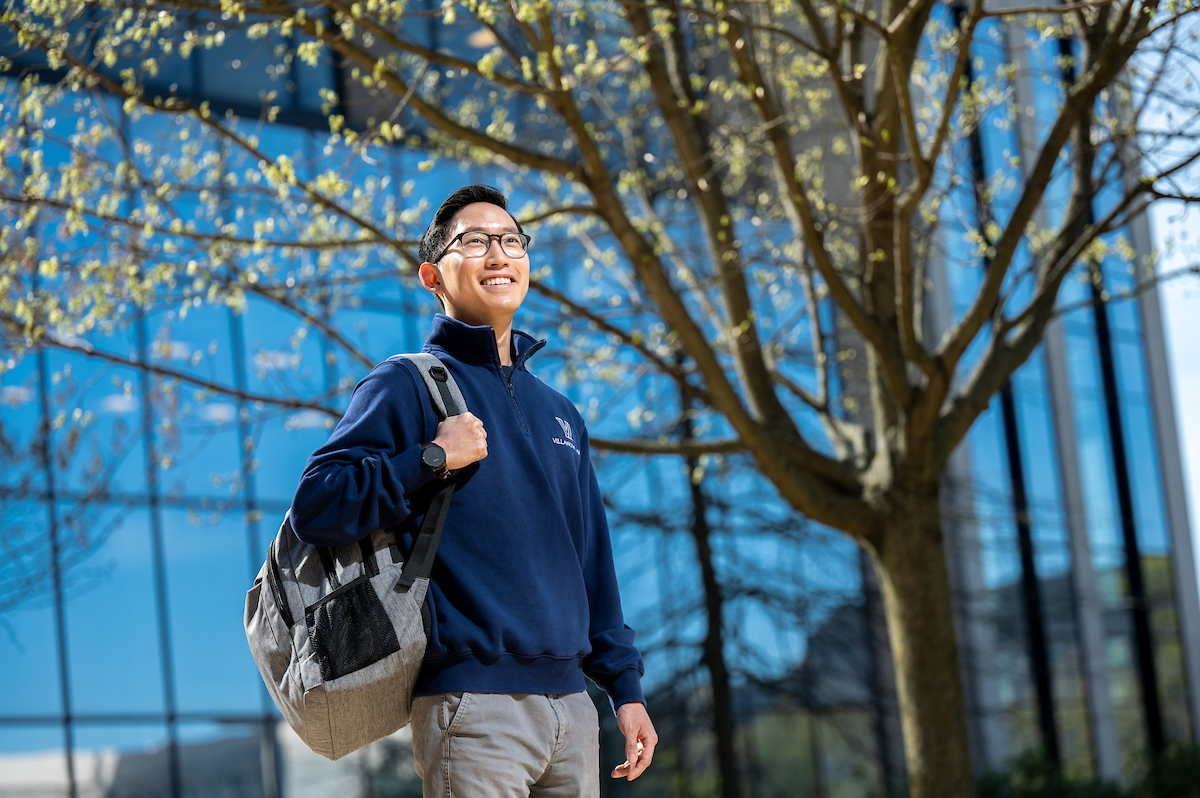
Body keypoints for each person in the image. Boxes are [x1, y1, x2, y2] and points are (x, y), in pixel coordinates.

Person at [289, 184, 656, 796]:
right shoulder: (405, 385)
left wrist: (625, 688)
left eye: (511, 241)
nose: (498, 254)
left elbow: (592, 564)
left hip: (573, 708)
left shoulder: (562, 413)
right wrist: (430, 458)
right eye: (476, 242)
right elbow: (317, 504)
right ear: (434, 274)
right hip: (474, 706)